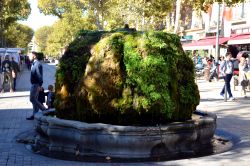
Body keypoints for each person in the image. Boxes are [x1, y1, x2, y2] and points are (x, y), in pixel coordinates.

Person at [26, 52, 47, 120]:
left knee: (32, 99)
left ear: (34, 56)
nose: (28, 58)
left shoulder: (37, 64)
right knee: (35, 99)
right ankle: (35, 114)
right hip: (34, 84)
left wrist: (40, 85)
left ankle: (44, 109)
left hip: (36, 84)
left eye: (30, 56)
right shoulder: (34, 63)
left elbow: (39, 75)